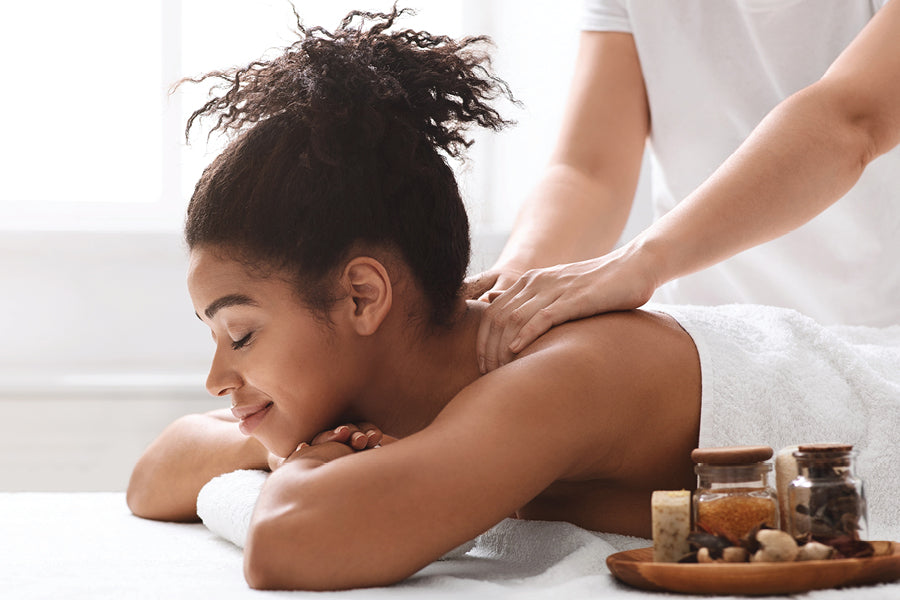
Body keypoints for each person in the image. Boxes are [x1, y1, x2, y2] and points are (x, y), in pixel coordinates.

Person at [126, 7, 900, 591]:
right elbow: (155, 474)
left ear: (363, 296)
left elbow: (289, 543)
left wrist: (305, 462)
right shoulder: (432, 404)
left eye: (242, 335)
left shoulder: (558, 380)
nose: (216, 380)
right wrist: (520, 287)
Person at [470, 0, 900, 373]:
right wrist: (514, 282)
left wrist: (641, 262)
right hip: (705, 349)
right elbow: (591, 172)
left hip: (874, 349)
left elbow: (852, 121)